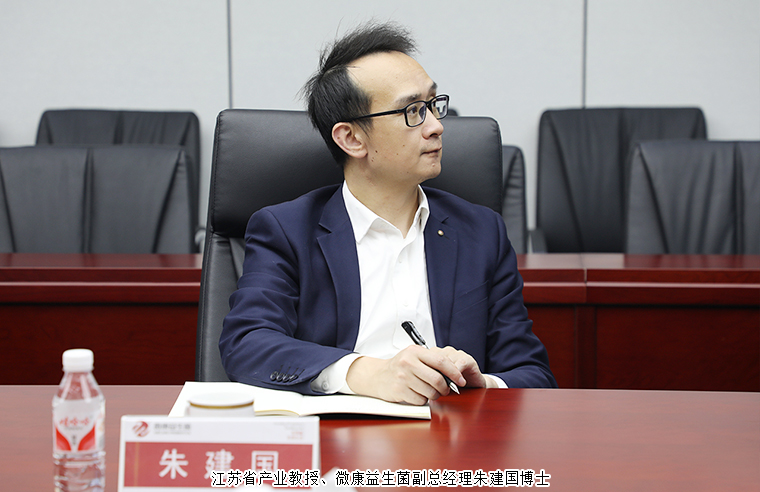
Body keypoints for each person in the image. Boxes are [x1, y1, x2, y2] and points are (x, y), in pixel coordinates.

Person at [220, 22, 556, 405]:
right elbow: (246, 344)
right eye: (413, 111)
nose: (436, 126)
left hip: (450, 434)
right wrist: (366, 373)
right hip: (336, 434)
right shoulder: (287, 231)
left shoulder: (481, 231)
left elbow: (534, 375)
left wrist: (482, 385)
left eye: (433, 105)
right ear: (352, 138)